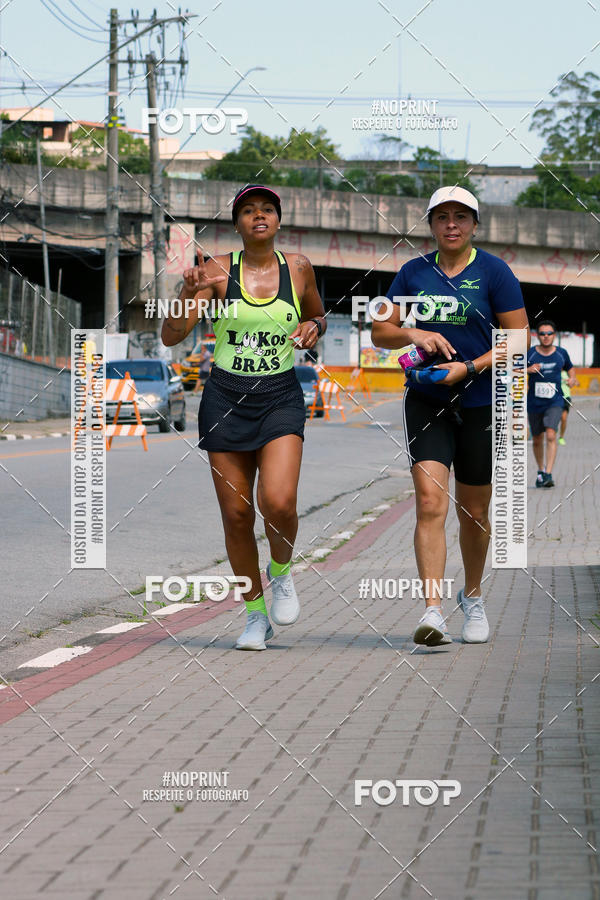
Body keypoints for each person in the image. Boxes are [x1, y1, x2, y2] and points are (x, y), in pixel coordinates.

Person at [162, 185, 326, 650]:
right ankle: (255, 615)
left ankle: (281, 571)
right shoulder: (214, 272)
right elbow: (172, 336)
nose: (259, 216)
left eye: (267, 209)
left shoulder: (298, 268)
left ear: (278, 220)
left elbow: (318, 316)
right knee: (236, 515)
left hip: (279, 396)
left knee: (278, 503)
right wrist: (184, 296)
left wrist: (314, 326)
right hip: (225, 399)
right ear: (236, 223)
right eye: (248, 210)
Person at [372, 186, 529, 647]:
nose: (452, 224)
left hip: (481, 401)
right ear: (431, 225)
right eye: (442, 217)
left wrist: (470, 366)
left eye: (461, 216)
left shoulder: (495, 272)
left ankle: (473, 598)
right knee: (429, 502)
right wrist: (414, 333)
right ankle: (433, 610)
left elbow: (517, 340)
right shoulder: (410, 273)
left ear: (475, 225)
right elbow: (381, 332)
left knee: (475, 513)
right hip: (426, 401)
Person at [526, 321, 575, 487]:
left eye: (549, 333)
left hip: (555, 401)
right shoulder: (530, 353)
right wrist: (528, 370)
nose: (546, 336)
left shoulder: (561, 353)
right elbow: (513, 369)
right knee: (538, 439)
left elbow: (570, 368)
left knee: (551, 434)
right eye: (542, 333)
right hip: (534, 403)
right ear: (537, 335)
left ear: (554, 335)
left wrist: (572, 379)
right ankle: (541, 471)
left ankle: (548, 474)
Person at [559, 368, 579, 445]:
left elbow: (576, 382)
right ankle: (553, 428)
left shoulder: (567, 373)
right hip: (555, 397)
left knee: (564, 418)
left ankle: (561, 437)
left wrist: (572, 382)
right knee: (555, 417)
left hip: (566, 398)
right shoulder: (554, 371)